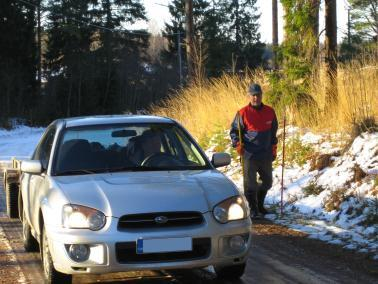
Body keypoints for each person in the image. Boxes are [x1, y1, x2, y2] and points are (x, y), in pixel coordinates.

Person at [230, 83, 278, 219]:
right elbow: (234, 131)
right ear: (249, 96)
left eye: (258, 95)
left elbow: (273, 131)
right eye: (253, 95)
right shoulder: (242, 113)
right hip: (249, 154)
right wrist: (237, 144)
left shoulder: (270, 111)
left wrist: (274, 148)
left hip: (266, 154)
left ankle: (260, 205)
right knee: (250, 184)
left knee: (268, 182)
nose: (255, 98)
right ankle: (253, 209)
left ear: (261, 95)